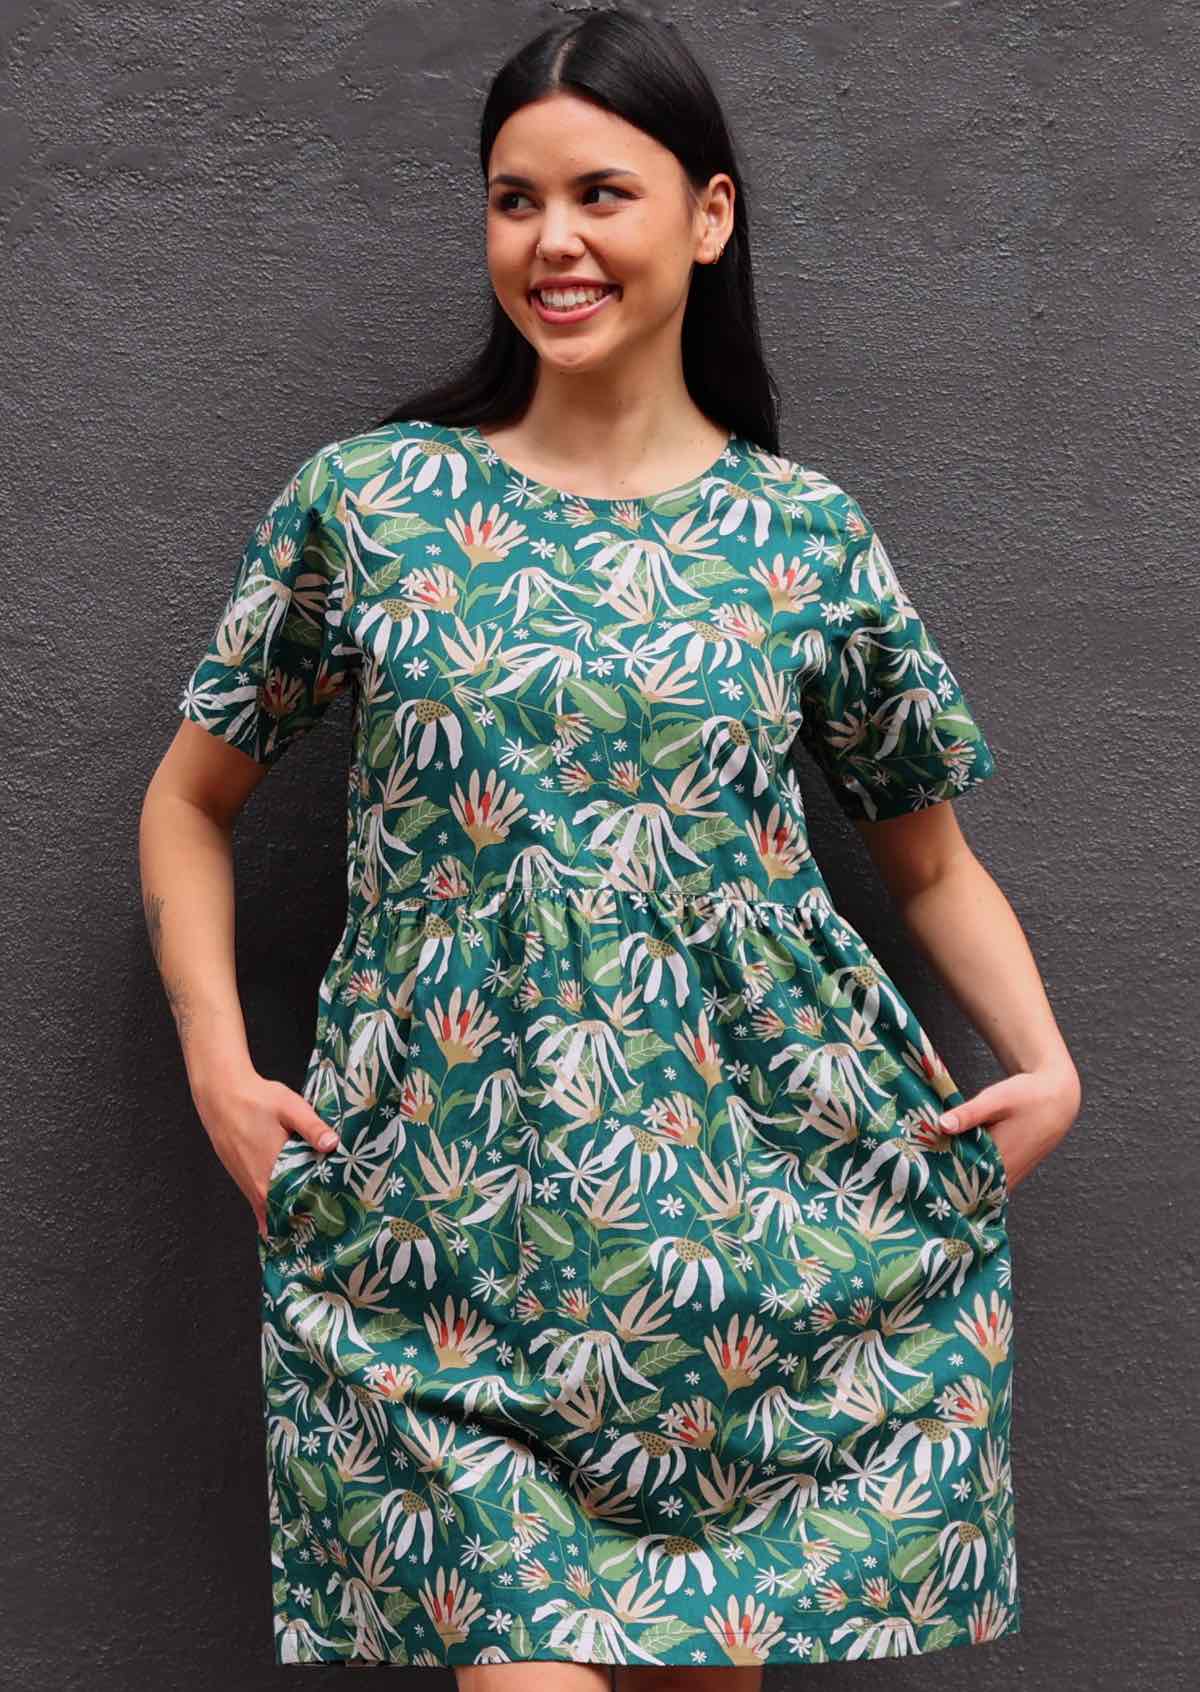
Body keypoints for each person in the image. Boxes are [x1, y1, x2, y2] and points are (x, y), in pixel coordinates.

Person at [140, 5, 1081, 1681]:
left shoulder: (802, 537)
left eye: (600, 194)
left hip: (751, 1244)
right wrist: (221, 1068)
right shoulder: (372, 504)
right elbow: (187, 803)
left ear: (708, 217)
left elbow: (927, 855)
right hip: (438, 1235)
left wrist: (1048, 1063)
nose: (552, 241)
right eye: (515, 200)